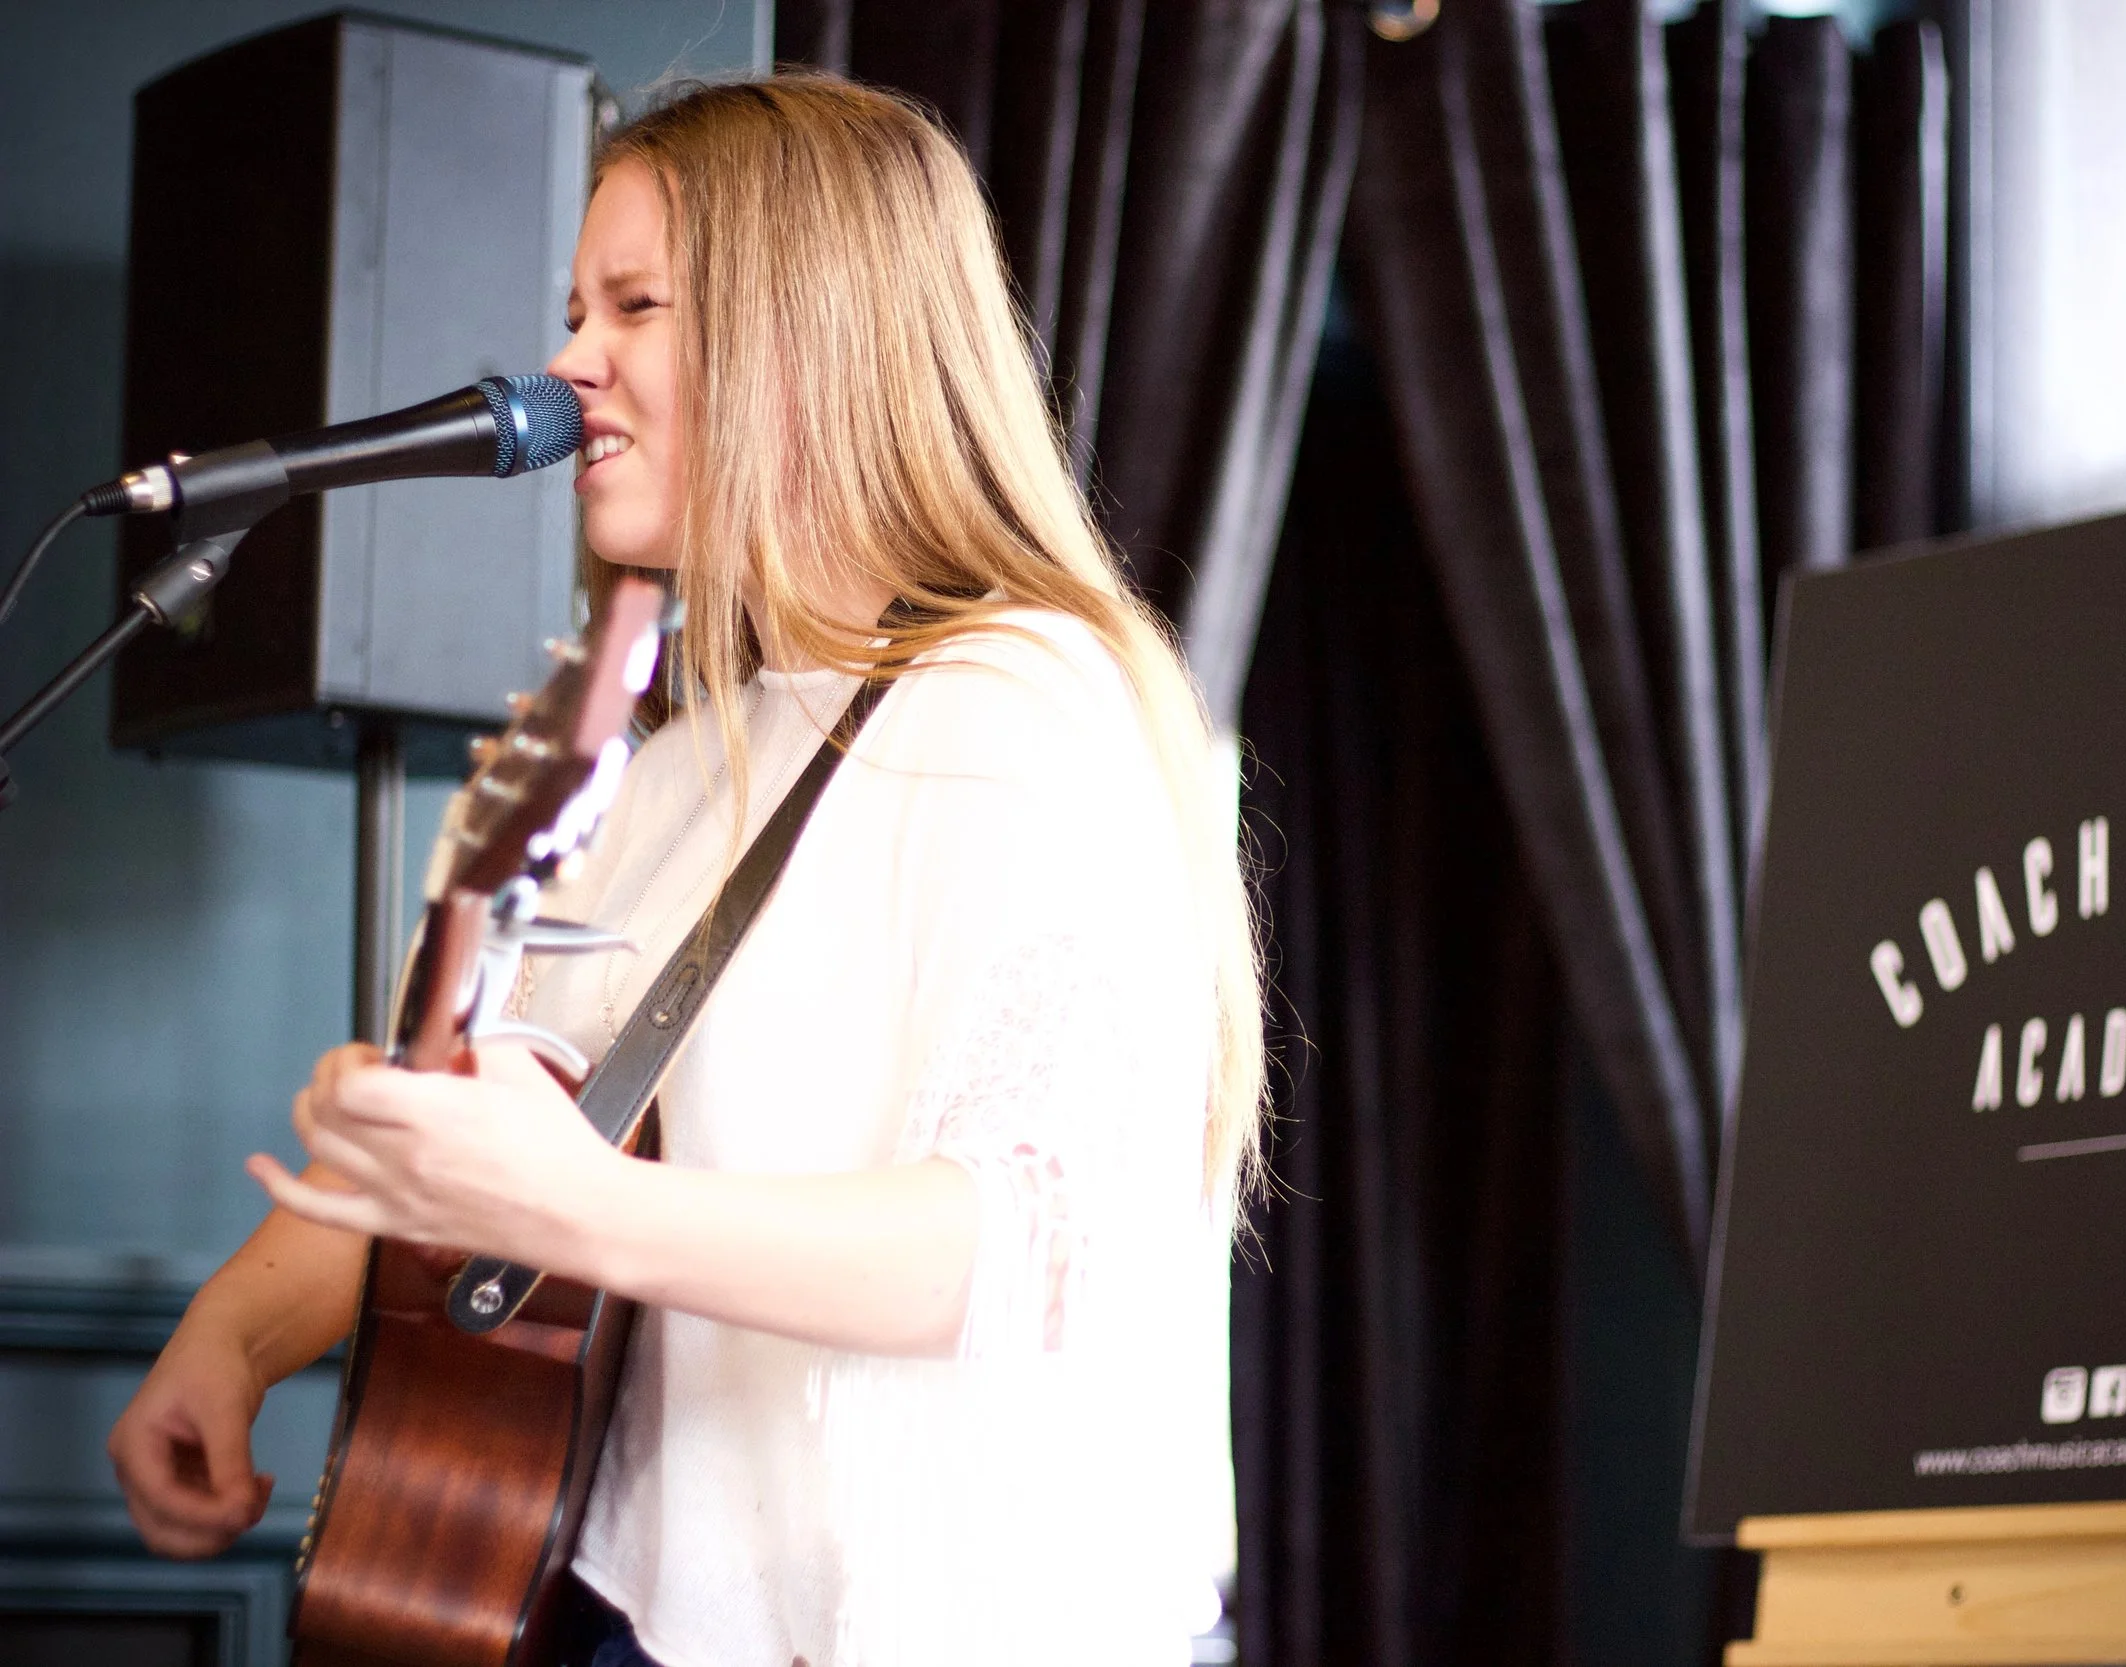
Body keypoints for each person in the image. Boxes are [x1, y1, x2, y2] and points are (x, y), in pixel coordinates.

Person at [105, 73, 1260, 1667]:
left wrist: (590, 1207)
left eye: (634, 304)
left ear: (817, 331)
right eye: (575, 309)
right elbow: (492, 1167)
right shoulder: (654, 777)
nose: (568, 362)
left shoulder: (1020, 706)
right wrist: (231, 1332)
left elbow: (1030, 1248)